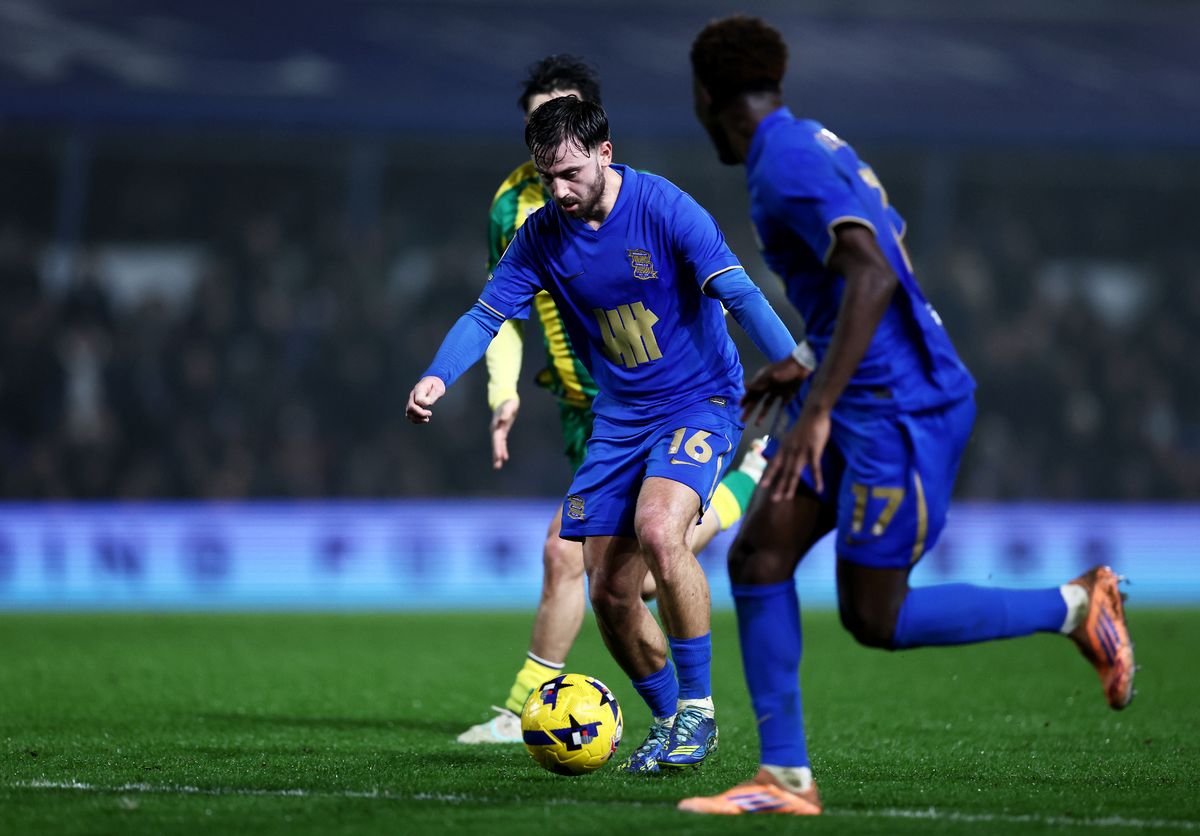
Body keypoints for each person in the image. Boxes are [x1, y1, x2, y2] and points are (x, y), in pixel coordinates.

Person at [678, 16, 1135, 816]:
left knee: (874, 615)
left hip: (898, 414)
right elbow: (887, 248)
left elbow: (874, 276)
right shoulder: (810, 142)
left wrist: (816, 407)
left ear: (705, 95)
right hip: (861, 395)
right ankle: (784, 780)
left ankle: (1074, 607)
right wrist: (812, 360)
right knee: (756, 558)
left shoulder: (782, 165)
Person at [408, 95, 806, 772]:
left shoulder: (664, 208)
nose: (557, 191)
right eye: (546, 178)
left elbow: (739, 294)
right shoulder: (539, 236)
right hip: (618, 419)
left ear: (604, 154)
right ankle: (669, 718)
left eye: (569, 174)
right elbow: (484, 316)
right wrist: (438, 377)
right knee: (611, 593)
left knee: (660, 529)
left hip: (698, 400)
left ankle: (701, 714)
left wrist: (795, 366)